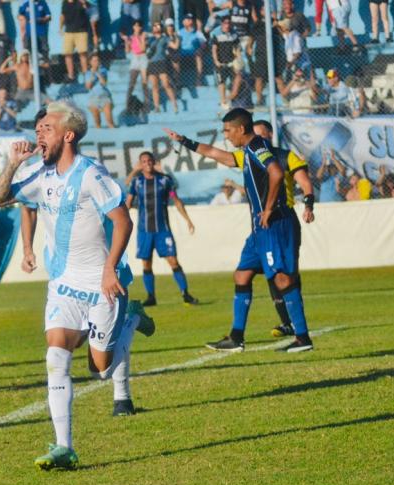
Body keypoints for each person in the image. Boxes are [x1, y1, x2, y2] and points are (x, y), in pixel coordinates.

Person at [0, 101, 154, 470]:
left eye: (46, 128)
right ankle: (65, 447)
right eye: (37, 129)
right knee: (55, 357)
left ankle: (129, 321)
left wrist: (111, 269)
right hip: (62, 284)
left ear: (68, 135)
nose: (38, 134)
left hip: (101, 284)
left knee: (101, 369)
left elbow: (123, 221)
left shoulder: (91, 173)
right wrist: (13, 163)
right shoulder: (39, 174)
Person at [165, 108, 313, 353]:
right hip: (258, 229)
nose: (226, 135)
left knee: (282, 278)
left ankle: (302, 337)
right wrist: (184, 141)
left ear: (241, 129)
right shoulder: (248, 152)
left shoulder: (257, 148)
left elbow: (276, 174)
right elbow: (215, 153)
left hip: (274, 223)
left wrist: (267, 209)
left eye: (227, 130)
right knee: (242, 275)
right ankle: (236, 337)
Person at [253, 119, 317, 339]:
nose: (257, 140)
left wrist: (308, 206)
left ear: (270, 135)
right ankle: (286, 322)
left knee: (289, 273)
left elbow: (306, 184)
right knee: (271, 273)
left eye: (260, 135)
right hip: (262, 224)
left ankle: (297, 322)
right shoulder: (251, 159)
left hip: (284, 220)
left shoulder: (286, 156)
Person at [125, 151, 198, 306]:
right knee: (146, 263)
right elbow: (128, 202)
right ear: (141, 164)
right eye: (143, 161)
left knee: (173, 260)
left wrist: (188, 220)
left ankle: (185, 294)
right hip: (144, 230)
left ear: (154, 162)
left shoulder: (165, 181)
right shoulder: (137, 182)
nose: (147, 164)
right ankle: (151, 297)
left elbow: (176, 200)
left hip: (163, 230)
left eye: (149, 161)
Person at [60, 0, 91, 82]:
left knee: (82, 53)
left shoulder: (80, 2)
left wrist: (84, 3)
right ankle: (71, 76)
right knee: (67, 54)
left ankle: (85, 75)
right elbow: (62, 15)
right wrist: (60, 27)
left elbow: (88, 8)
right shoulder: (64, 3)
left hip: (81, 31)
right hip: (68, 31)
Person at [85, 53, 115, 128]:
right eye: (94, 61)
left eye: (97, 60)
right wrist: (92, 74)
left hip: (104, 96)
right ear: (90, 62)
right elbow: (88, 87)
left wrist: (97, 73)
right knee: (97, 122)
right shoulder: (88, 73)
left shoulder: (103, 71)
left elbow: (103, 83)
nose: (96, 62)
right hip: (94, 98)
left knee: (109, 121)